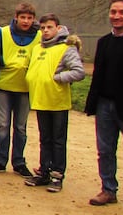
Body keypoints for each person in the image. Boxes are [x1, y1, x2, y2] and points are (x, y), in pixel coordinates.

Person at [86, 0, 123, 215]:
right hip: (105, 105)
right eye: (113, 12)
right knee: (105, 151)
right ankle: (108, 189)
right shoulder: (104, 42)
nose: (116, 16)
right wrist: (93, 103)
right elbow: (98, 75)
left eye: (121, 12)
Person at [23, 14, 84, 192]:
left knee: (58, 140)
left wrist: (57, 78)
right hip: (41, 100)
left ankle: (57, 174)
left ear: (58, 28)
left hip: (57, 102)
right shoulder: (38, 48)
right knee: (45, 139)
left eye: (49, 27)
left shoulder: (66, 48)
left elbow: (78, 71)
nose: (45, 31)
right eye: (43, 28)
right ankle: (44, 171)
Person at [0, 3, 40, 179]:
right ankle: (0, 160)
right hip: (4, 85)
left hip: (25, 87)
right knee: (3, 125)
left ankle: (19, 162)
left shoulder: (39, 36)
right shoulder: (2, 33)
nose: (26, 21)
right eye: (22, 17)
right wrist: (3, 61)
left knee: (20, 127)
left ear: (33, 19)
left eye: (29, 18)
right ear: (16, 17)